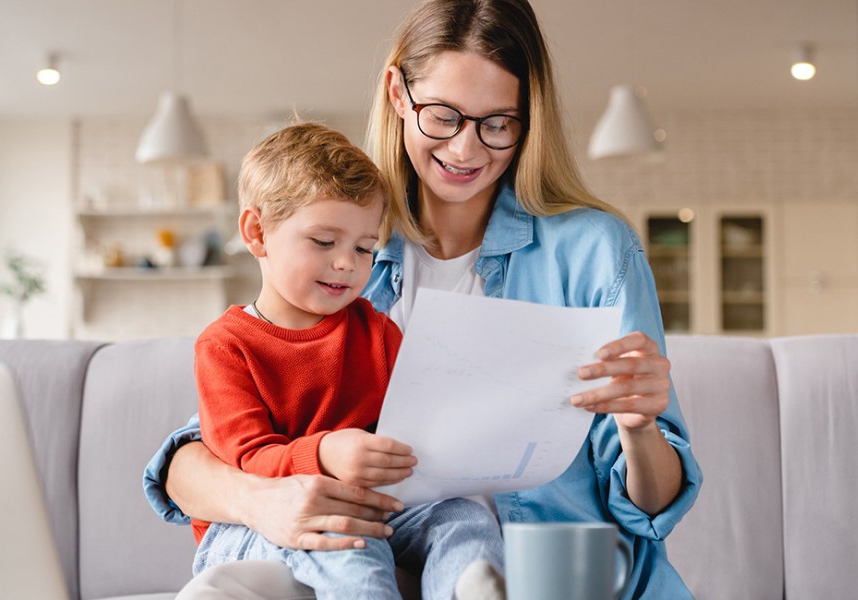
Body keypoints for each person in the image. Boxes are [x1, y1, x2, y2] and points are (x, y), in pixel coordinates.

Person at [143, 0, 703, 597]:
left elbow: (652, 506)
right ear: (396, 93)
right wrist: (267, 502)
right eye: (442, 115)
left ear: (527, 121)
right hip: (387, 563)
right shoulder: (350, 253)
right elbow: (195, 460)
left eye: (497, 124)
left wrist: (639, 427)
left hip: (557, 577)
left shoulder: (592, 250)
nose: (466, 151)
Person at [186, 121, 505, 600]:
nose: (347, 264)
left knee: (465, 517)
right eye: (323, 242)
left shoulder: (378, 331)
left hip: (371, 506)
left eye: (364, 248)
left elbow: (418, 423)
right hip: (252, 526)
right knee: (350, 541)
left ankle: (467, 586)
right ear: (257, 233)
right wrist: (325, 454)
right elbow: (246, 460)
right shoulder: (225, 345)